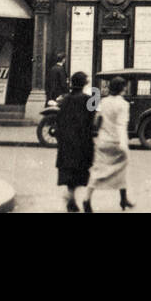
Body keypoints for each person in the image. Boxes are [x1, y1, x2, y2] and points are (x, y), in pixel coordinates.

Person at [84, 76, 133, 212]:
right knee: (122, 169)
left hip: (103, 140)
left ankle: (86, 199)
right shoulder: (123, 104)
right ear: (122, 88)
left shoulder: (103, 102)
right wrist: (124, 145)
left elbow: (96, 121)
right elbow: (121, 125)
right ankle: (123, 199)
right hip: (117, 142)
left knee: (97, 171)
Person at [55, 71, 94, 212]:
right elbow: (91, 121)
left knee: (69, 171)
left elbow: (59, 120)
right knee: (81, 171)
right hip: (82, 142)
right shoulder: (88, 100)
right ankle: (72, 199)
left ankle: (70, 198)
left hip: (66, 142)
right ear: (84, 84)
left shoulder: (64, 100)